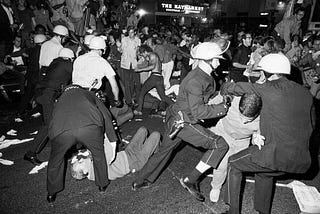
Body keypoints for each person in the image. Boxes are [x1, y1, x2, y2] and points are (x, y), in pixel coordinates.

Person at [131, 42, 231, 202]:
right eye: (216, 59)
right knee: (220, 145)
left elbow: (206, 97)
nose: (219, 62)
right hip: (185, 122)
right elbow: (199, 111)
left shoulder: (204, 76)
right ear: (207, 60)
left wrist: (221, 95)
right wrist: (223, 107)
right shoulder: (196, 80)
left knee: (164, 152)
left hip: (177, 120)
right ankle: (190, 180)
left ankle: (140, 180)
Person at [220, 53, 313, 214]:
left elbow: (234, 88)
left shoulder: (266, 89)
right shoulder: (306, 93)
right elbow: (310, 124)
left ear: (266, 72)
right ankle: (263, 211)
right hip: (300, 158)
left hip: (275, 155)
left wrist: (224, 86)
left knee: (233, 163)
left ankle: (232, 211)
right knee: (264, 173)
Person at [46, 84, 118, 203]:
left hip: (62, 131)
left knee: (55, 160)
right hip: (90, 126)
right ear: (79, 88)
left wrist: (54, 141)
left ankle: (51, 193)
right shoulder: (89, 94)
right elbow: (106, 115)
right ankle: (102, 184)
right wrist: (112, 138)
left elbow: (52, 120)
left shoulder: (59, 100)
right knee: (98, 154)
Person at [207, 93, 261, 203]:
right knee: (221, 165)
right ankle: (216, 187)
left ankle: (231, 193)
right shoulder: (232, 99)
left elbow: (258, 133)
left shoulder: (264, 116)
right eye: (242, 117)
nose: (244, 122)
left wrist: (256, 139)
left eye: (249, 120)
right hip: (224, 134)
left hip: (242, 141)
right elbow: (208, 106)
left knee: (236, 168)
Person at [24, 48, 74, 165]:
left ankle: (69, 148)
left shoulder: (55, 62)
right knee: (49, 126)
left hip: (42, 93)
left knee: (58, 121)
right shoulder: (66, 64)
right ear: (68, 58)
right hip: (48, 96)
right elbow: (78, 72)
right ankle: (30, 153)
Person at [70, 126, 160, 181]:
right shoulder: (98, 169)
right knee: (156, 135)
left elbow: (89, 153)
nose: (81, 159)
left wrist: (77, 157)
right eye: (81, 163)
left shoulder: (91, 167)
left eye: (79, 160)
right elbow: (109, 148)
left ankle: (152, 149)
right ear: (85, 171)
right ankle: (158, 156)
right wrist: (105, 132)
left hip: (127, 153)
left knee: (143, 130)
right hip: (134, 162)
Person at [72, 36, 121, 105]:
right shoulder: (103, 62)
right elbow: (114, 86)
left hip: (74, 93)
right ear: (103, 49)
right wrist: (116, 100)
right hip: (90, 95)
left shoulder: (78, 59)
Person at [133, 45, 174, 115]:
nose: (142, 55)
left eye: (142, 53)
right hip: (159, 78)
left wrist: (140, 70)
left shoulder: (152, 55)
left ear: (145, 51)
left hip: (154, 77)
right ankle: (176, 106)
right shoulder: (152, 56)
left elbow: (152, 66)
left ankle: (139, 110)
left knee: (142, 92)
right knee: (163, 96)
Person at [119, 26, 141, 107]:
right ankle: (128, 101)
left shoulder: (138, 40)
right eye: (129, 32)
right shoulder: (124, 39)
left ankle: (137, 99)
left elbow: (138, 52)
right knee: (127, 83)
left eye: (132, 32)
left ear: (135, 32)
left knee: (136, 83)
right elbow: (121, 50)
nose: (130, 34)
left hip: (134, 63)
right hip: (125, 63)